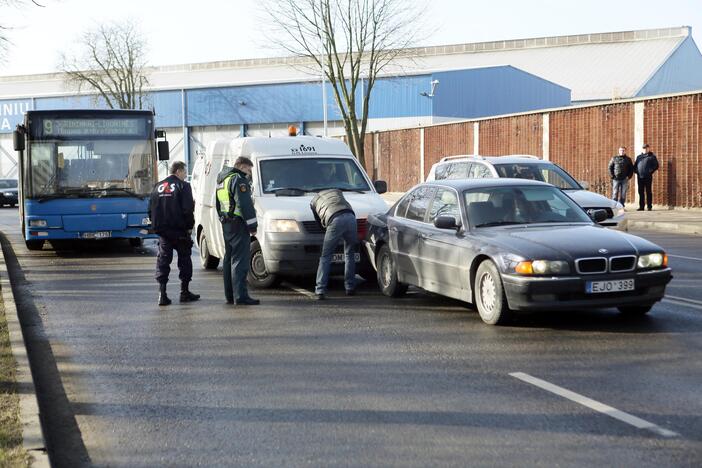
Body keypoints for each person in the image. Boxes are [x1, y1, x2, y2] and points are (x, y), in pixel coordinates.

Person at [149, 161, 200, 306]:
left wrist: (156, 226)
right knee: (184, 260)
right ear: (178, 171)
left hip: (163, 232)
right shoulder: (183, 186)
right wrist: (190, 227)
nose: (185, 175)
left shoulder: (157, 186)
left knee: (163, 261)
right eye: (184, 172)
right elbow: (187, 209)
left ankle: (162, 294)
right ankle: (185, 292)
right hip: (180, 231)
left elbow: (150, 208)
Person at [216, 157, 260, 306]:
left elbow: (217, 204)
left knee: (228, 260)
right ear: (241, 166)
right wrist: (252, 226)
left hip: (227, 224)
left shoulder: (222, 179)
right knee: (240, 261)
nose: (248, 174)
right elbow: (245, 204)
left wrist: (222, 218)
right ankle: (241, 296)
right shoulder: (238, 180)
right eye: (248, 170)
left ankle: (230, 295)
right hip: (239, 224)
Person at [310, 189, 357, 300]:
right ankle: (350, 287)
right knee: (350, 253)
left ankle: (320, 290)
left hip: (334, 219)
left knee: (326, 256)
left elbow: (319, 223)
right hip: (351, 217)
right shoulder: (337, 191)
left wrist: (328, 233)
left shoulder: (313, 202)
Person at [634, 144, 659, 211]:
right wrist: (636, 171)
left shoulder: (652, 157)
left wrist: (650, 171)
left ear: (649, 148)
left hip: (648, 177)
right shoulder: (639, 157)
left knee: (648, 191)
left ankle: (649, 206)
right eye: (644, 148)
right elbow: (635, 166)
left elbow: (656, 166)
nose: (645, 149)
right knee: (641, 192)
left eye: (646, 148)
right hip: (640, 177)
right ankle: (641, 206)